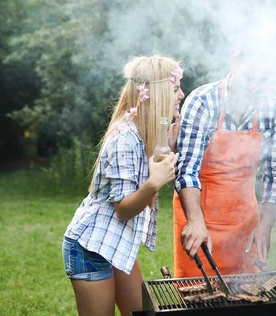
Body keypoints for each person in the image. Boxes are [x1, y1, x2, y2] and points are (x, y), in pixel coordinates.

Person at [62, 55, 185, 316]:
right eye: (175, 89)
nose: (181, 94)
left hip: (115, 245)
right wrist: (154, 184)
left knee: (144, 313)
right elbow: (123, 209)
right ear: (156, 93)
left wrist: (168, 147)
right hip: (90, 248)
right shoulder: (125, 138)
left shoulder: (146, 134)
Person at [173, 48, 276, 277]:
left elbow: (274, 175)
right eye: (250, 78)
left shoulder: (273, 110)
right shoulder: (202, 101)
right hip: (199, 214)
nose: (255, 87)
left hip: (245, 220)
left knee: (245, 294)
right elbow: (187, 169)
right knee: (195, 294)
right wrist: (195, 221)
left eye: (262, 80)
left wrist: (264, 227)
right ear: (234, 63)